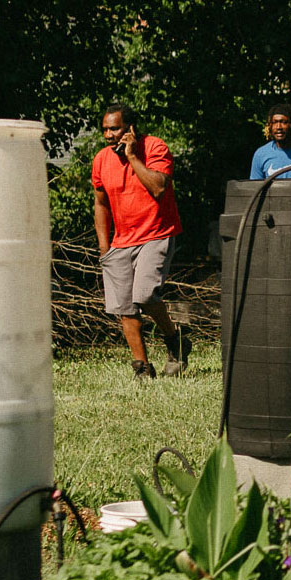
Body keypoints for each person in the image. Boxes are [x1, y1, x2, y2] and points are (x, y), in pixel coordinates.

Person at [93, 103, 189, 378]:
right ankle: (143, 368)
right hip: (121, 242)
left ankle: (175, 340)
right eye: (105, 130)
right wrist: (104, 246)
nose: (109, 135)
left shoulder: (155, 147)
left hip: (156, 234)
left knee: (145, 294)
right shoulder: (101, 160)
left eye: (115, 128)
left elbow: (159, 187)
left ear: (131, 128)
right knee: (125, 307)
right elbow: (101, 204)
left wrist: (133, 157)